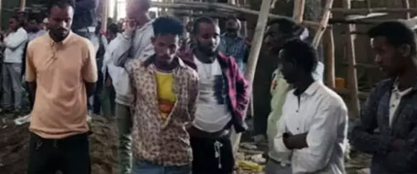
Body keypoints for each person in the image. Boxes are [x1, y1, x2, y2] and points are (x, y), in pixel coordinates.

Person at [115, 16, 198, 174]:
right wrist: (128, 33)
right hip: (145, 160)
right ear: (153, 42)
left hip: (178, 159)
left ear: (180, 45)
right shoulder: (138, 71)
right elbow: (118, 59)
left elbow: (190, 115)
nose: (166, 52)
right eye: (161, 45)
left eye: (172, 47)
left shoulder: (190, 76)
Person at [26, 0, 97, 174]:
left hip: (75, 135)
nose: (63, 25)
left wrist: (72, 103)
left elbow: (91, 85)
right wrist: (47, 105)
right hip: (41, 134)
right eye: (57, 20)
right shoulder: (34, 47)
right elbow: (32, 84)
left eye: (67, 20)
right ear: (48, 19)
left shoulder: (84, 46)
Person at [349, 21, 417, 174]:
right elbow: (355, 135)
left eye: (381, 51)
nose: (377, 59)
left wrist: (376, 146)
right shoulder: (383, 90)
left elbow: (413, 158)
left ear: (404, 50)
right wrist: (392, 143)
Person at [273, 39, 348, 174]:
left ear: (294, 64)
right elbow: (279, 146)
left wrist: (289, 142)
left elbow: (315, 160)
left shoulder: (329, 103)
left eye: (282, 63)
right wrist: (302, 140)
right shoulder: (291, 98)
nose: (280, 69)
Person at [189, 17, 250, 174]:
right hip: (193, 138)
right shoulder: (185, 63)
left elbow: (243, 88)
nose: (212, 41)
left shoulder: (227, 63)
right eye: (206, 36)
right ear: (194, 37)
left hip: (222, 137)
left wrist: (236, 113)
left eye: (215, 36)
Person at [264, 18, 325, 173]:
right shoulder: (278, 72)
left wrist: (296, 45)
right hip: (277, 156)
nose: (267, 41)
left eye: (272, 35)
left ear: (289, 36)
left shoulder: (309, 70)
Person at [107, 0, 155, 174]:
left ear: (138, 5)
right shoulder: (129, 29)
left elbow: (143, 67)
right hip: (123, 94)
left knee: (143, 142)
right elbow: (116, 59)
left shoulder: (154, 31)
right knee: (123, 141)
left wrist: (126, 61)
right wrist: (127, 33)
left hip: (143, 96)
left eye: (128, 3)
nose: (126, 7)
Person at [1, 15, 28, 114]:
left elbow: (12, 45)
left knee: (16, 86)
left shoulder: (22, 33)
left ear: (18, 23)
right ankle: (7, 106)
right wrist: (5, 39)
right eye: (9, 23)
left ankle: (17, 108)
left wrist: (5, 38)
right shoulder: (11, 33)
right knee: (6, 86)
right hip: (6, 61)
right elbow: (5, 45)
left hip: (15, 62)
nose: (10, 25)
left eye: (12, 23)